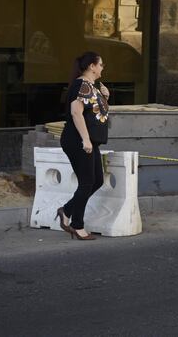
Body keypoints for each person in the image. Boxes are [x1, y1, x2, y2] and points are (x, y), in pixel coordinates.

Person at [55, 51, 110, 240]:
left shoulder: (92, 86)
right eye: (101, 64)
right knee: (87, 182)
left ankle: (66, 211)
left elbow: (94, 113)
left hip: (89, 141)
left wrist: (105, 96)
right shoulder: (81, 84)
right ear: (91, 66)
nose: (103, 67)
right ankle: (77, 225)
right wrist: (85, 140)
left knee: (97, 181)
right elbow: (76, 113)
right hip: (78, 140)